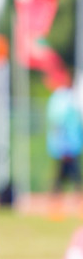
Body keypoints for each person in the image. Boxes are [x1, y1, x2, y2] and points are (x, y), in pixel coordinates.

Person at [47, 77, 83, 218]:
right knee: (63, 177)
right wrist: (62, 145)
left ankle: (67, 203)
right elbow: (59, 126)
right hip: (65, 147)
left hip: (71, 146)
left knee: (73, 176)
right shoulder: (64, 103)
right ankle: (56, 205)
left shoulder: (69, 102)